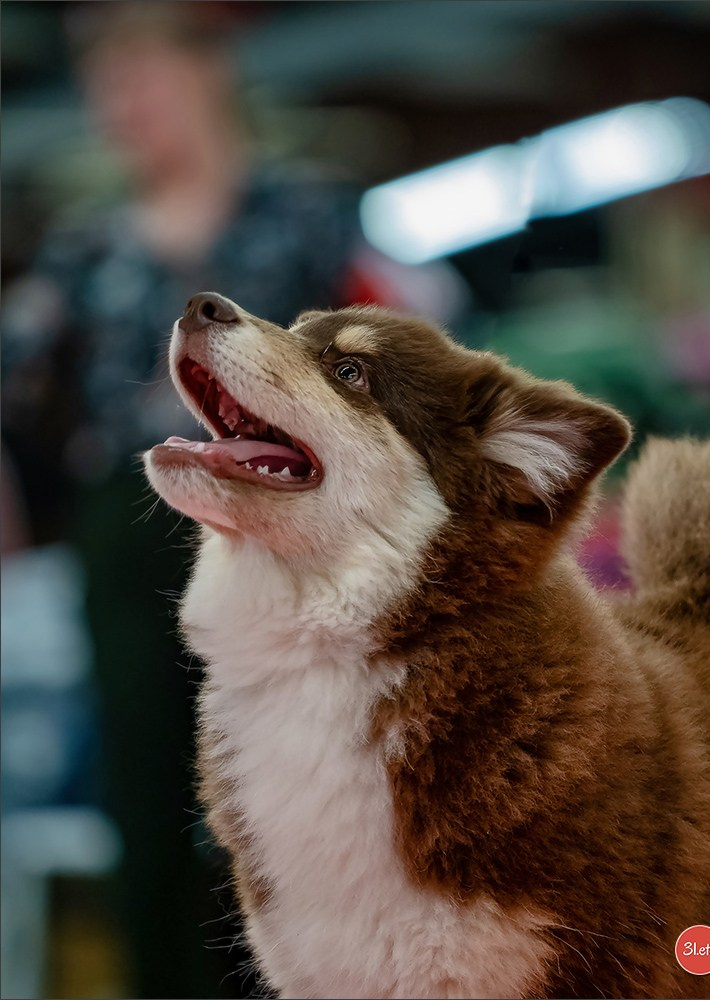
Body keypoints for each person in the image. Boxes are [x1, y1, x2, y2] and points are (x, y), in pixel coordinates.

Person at [1, 4, 363, 997]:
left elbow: (396, 359)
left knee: (297, 788)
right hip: (131, 524)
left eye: (142, 78)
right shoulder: (83, 250)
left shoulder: (309, 213)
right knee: (148, 786)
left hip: (289, 529)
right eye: (107, 90)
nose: (125, 108)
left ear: (207, 75)